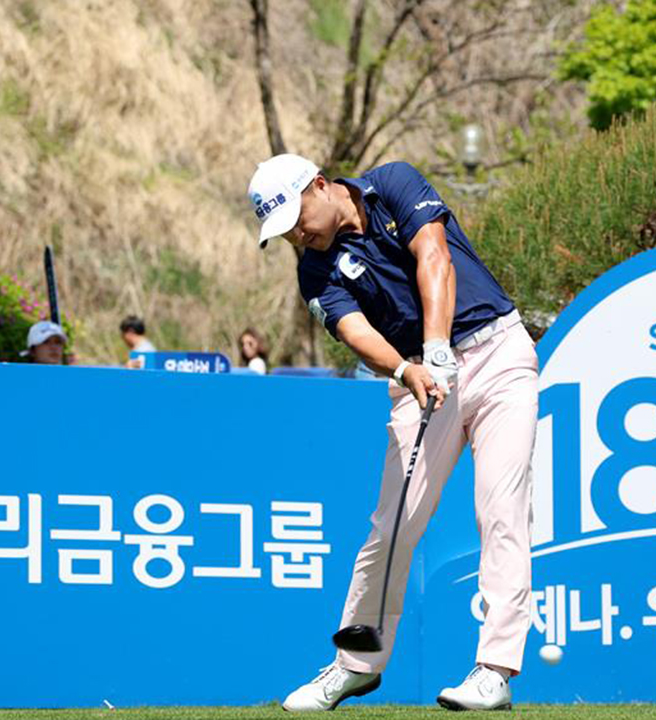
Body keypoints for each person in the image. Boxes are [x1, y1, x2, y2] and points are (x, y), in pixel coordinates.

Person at [247, 154, 538, 711]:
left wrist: (438, 343)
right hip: (419, 378)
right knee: (393, 526)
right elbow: (355, 331)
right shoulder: (315, 271)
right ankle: (355, 666)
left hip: (498, 352)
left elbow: (434, 255)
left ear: (320, 185)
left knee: (502, 511)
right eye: (283, 233)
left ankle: (494, 670)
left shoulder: (394, 183)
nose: (296, 236)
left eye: (297, 220)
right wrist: (409, 368)